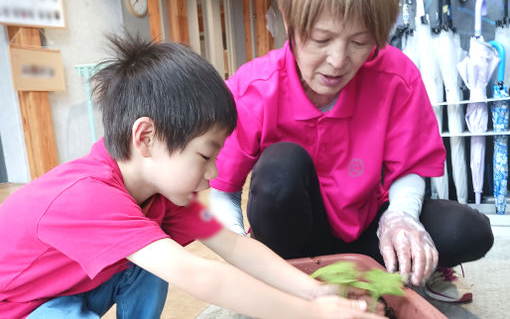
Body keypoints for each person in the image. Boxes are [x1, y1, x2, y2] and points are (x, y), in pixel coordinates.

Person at [0, 35, 385, 319]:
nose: (214, 172)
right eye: (205, 155)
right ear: (146, 137)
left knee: (149, 259)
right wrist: (313, 314)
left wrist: (315, 291)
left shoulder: (161, 196)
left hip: (69, 287)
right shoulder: (87, 197)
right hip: (22, 307)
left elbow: (233, 245)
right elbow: (201, 277)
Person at [209, 0, 494, 304]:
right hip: (294, 236)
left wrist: (401, 217)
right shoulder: (252, 88)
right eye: (321, 39)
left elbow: (410, 167)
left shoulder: (396, 77)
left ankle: (405, 265)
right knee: (280, 166)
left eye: (360, 42)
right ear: (288, 19)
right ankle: (288, 276)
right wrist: (239, 250)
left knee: (468, 231)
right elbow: (222, 189)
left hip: (368, 229)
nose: (338, 60)